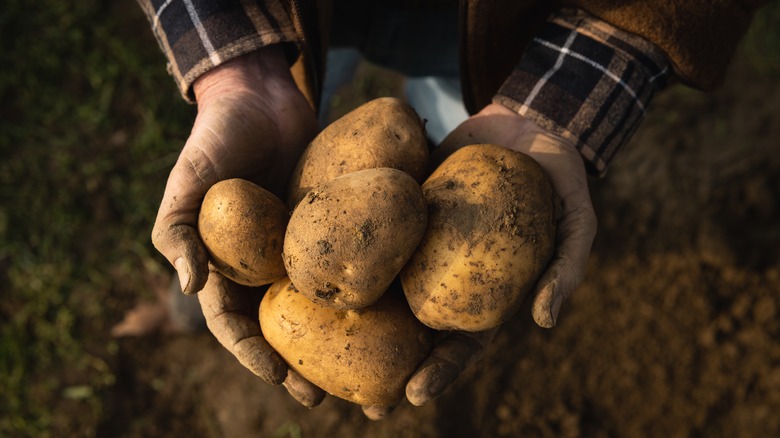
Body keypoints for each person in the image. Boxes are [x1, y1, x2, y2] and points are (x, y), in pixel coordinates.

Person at [133, 0, 767, 420]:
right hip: (286, 12)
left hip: (516, 26)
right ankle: (197, 291)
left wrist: (565, 102)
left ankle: (197, 290)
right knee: (247, 187)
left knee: (457, 115)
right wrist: (233, 67)